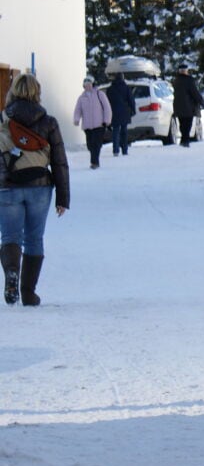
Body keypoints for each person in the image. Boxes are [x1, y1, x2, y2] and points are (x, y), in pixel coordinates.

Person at [1, 73, 70, 306]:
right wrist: (63, 198)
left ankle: (11, 272)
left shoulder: (3, 120)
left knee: (10, 236)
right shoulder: (48, 122)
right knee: (34, 238)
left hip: (7, 186)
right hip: (40, 187)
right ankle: (29, 293)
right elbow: (59, 161)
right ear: (37, 91)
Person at [73, 76, 112, 169]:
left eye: (89, 84)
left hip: (99, 124)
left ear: (93, 84)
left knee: (96, 143)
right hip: (87, 126)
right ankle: (94, 159)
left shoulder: (100, 94)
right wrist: (76, 119)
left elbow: (107, 108)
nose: (87, 86)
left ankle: (94, 162)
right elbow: (78, 110)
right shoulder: (81, 98)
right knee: (90, 145)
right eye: (85, 85)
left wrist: (107, 120)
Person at [172, 66, 204, 147]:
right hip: (189, 107)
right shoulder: (189, 80)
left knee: (182, 124)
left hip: (178, 106)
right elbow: (194, 93)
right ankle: (185, 140)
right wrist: (202, 102)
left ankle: (183, 140)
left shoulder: (176, 80)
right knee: (188, 124)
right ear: (186, 71)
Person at [105, 74, 137, 156]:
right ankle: (124, 150)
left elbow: (107, 102)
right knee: (124, 131)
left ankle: (115, 150)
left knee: (115, 131)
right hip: (124, 112)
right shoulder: (126, 88)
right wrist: (133, 110)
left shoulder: (110, 89)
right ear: (123, 78)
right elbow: (131, 100)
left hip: (114, 112)